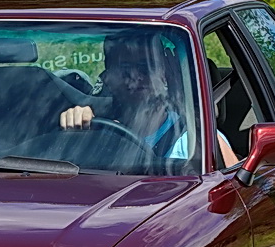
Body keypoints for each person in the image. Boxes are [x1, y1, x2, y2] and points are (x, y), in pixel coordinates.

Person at [58, 34, 237, 167]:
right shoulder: (94, 132)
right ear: (107, 76)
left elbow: (236, 193)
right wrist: (75, 128)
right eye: (124, 69)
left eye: (145, 68)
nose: (135, 78)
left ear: (163, 73)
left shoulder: (197, 140)